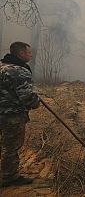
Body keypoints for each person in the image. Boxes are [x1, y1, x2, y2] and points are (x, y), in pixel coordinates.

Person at [0, 42, 40, 187]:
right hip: (11, 116)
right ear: (21, 54)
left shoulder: (1, 66)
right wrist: (36, 102)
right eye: (29, 52)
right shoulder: (19, 71)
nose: (31, 55)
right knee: (10, 146)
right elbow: (27, 97)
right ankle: (9, 176)